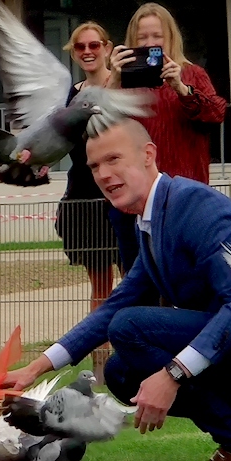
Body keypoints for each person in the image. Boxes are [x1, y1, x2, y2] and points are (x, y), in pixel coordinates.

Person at [6, 114, 231, 461]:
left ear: (148, 155)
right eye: (95, 165)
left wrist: (173, 374)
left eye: (113, 159)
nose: (102, 174)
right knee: (120, 373)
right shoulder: (150, 219)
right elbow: (119, 301)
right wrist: (35, 368)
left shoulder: (195, 206)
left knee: (130, 328)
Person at [110, 2, 228, 183]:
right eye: (142, 37)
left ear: (171, 37)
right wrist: (114, 80)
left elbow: (217, 114)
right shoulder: (122, 80)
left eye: (158, 36)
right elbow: (98, 126)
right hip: (139, 188)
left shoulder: (193, 73)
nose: (150, 43)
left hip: (186, 185)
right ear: (132, 40)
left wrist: (181, 88)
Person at [60, 21, 131, 306]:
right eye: (80, 46)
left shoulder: (126, 83)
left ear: (107, 48)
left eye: (94, 45)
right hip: (86, 194)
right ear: (74, 53)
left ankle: (131, 345)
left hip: (124, 193)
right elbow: (74, 143)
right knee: (100, 288)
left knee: (133, 279)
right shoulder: (70, 95)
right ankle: (100, 350)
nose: (87, 51)